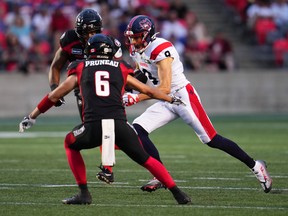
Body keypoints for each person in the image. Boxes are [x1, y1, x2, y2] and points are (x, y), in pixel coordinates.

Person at [18, 34, 190, 205]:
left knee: (69, 143)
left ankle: (84, 193)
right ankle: (178, 193)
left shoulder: (80, 67)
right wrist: (171, 99)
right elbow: (150, 91)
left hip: (93, 126)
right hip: (119, 125)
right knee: (145, 158)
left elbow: (55, 95)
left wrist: (32, 116)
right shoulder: (120, 68)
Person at [119, 15, 272, 193]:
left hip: (182, 96)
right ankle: (159, 175)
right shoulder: (138, 50)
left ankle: (256, 166)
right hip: (164, 99)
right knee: (138, 128)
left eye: (137, 36)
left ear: (147, 35)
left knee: (212, 139)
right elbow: (144, 73)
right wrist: (128, 89)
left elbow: (166, 87)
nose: (133, 41)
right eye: (132, 37)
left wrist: (136, 97)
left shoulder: (160, 48)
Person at [48, 8, 122, 114]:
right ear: (78, 31)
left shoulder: (108, 43)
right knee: (88, 122)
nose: (89, 36)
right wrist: (55, 89)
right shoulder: (69, 40)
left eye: (93, 32)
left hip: (104, 89)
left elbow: (121, 69)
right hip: (81, 89)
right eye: (85, 32)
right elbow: (55, 66)